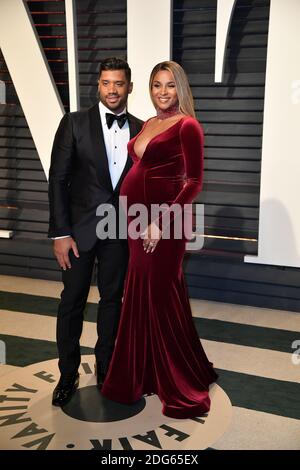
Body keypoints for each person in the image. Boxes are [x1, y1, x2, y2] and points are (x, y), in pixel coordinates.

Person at [101, 61, 218, 419]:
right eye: (156, 85)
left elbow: (193, 182)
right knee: (142, 294)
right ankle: (144, 372)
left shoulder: (188, 126)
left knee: (160, 297)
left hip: (165, 224)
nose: (162, 92)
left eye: (169, 85)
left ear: (180, 88)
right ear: (148, 89)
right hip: (138, 222)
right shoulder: (150, 123)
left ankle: (180, 380)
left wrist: (160, 223)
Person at [48, 57, 143, 406]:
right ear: (98, 85)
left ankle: (107, 368)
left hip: (119, 231)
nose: (113, 89)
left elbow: (145, 185)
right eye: (106, 83)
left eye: (119, 83)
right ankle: (67, 375)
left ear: (129, 87)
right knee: (71, 303)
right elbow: (58, 179)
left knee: (112, 302)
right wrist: (60, 233)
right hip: (78, 232)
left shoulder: (141, 128)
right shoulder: (73, 123)